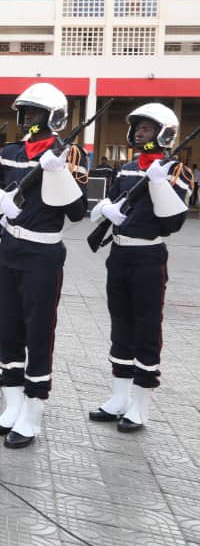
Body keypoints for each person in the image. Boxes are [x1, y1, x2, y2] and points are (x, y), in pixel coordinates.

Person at [0, 83, 87, 448]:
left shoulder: (68, 154)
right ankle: (11, 408)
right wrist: (0, 199)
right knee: (10, 329)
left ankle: (32, 413)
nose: (28, 119)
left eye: (35, 113)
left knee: (38, 332)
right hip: (12, 250)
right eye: (25, 113)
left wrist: (59, 173)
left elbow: (77, 213)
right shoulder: (11, 152)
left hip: (43, 256)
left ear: (55, 118)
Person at [87, 104, 192, 433]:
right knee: (121, 324)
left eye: (147, 129)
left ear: (163, 134)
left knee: (146, 329)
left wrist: (160, 183)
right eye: (138, 129)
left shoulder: (177, 171)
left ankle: (140, 405)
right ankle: (119, 397)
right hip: (119, 255)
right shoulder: (129, 167)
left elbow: (173, 221)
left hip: (148, 257)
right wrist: (107, 209)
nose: (139, 134)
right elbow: (116, 199)